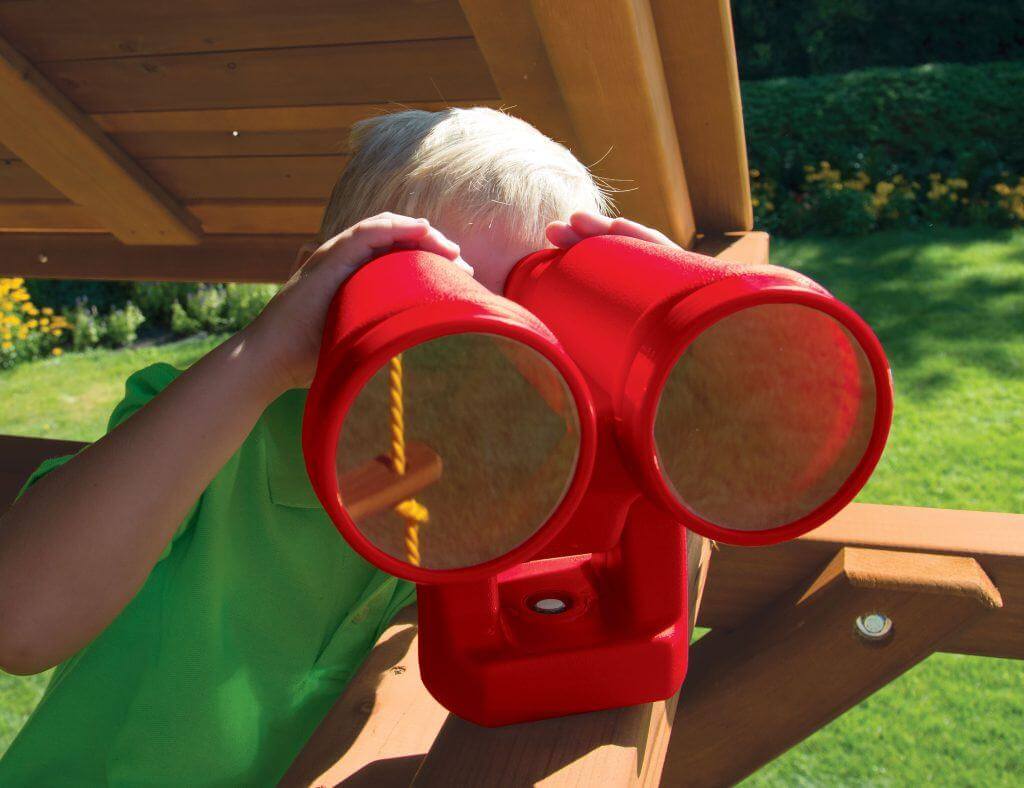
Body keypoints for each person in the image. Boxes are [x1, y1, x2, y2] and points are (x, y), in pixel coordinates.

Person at [0, 107, 679, 784]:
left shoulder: (532, 479)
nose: (482, 357)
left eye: (530, 323)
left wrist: (657, 336)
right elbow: (21, 621)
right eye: (433, 302)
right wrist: (262, 354)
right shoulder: (207, 432)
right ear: (318, 294)